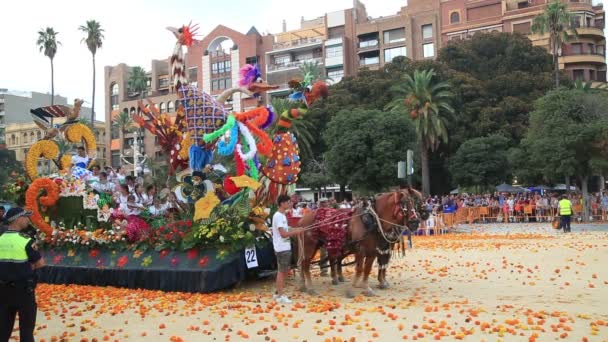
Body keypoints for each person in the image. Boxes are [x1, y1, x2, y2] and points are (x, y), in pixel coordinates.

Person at [0, 208, 45, 342]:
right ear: (18, 219)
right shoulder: (25, 241)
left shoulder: (0, 239)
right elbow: (40, 263)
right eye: (25, 217)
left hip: (2, 290)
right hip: (23, 290)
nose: (27, 220)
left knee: (3, 330)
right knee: (26, 330)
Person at [272, 195, 302, 304]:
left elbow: (285, 230)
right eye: (288, 202)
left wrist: (295, 229)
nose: (290, 204)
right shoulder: (278, 216)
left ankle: (277, 293)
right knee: (282, 271)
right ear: (282, 203)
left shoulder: (282, 215)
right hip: (282, 248)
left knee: (284, 271)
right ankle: (280, 296)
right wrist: (296, 232)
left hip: (284, 247)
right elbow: (283, 234)